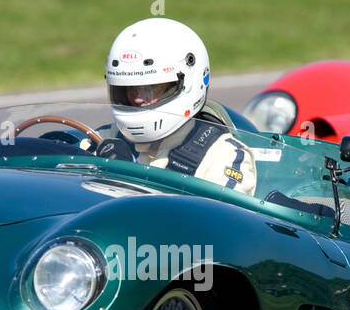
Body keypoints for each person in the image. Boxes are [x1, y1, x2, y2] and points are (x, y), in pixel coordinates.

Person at [100, 18, 256, 195]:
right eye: (129, 89)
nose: (138, 99)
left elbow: (213, 219)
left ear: (187, 82)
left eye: (151, 88)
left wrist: (127, 178)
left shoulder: (224, 155)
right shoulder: (107, 137)